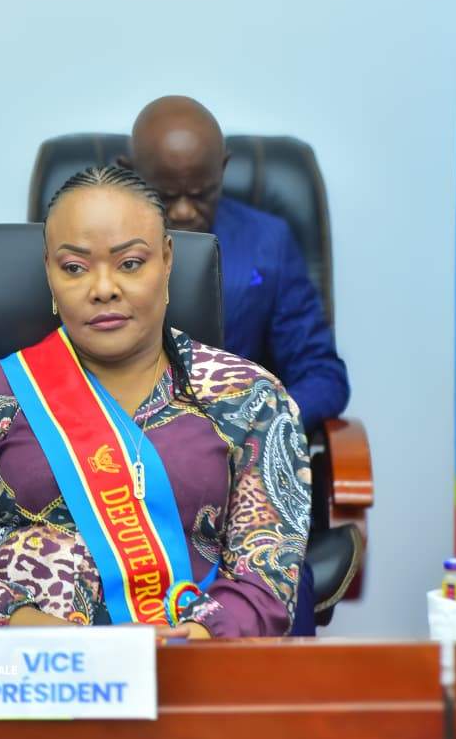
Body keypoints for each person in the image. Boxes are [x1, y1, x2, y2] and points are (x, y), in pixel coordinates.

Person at [0, 166, 311, 636]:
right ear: (49, 272)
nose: (103, 289)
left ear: (167, 259)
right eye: (74, 268)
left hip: (191, 665)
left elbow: (267, 578)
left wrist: (195, 639)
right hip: (32, 670)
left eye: (130, 263)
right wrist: (56, 637)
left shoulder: (249, 396)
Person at [120, 96, 350, 635]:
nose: (182, 212)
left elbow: (323, 374)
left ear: (223, 171)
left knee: (277, 585)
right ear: (131, 175)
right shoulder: (94, 252)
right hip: (122, 474)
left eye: (200, 193)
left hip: (237, 481)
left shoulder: (268, 243)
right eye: (164, 195)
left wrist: (258, 423)